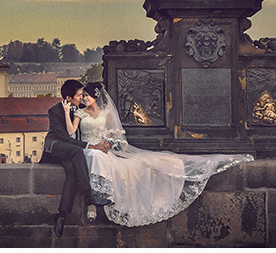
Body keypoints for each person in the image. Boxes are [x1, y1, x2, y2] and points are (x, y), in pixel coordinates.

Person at [65, 82, 253, 227]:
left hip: (104, 149)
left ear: (96, 96)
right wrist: (67, 112)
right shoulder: (79, 113)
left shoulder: (106, 113)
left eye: (87, 96)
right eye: (83, 96)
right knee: (95, 156)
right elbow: (71, 131)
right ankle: (95, 200)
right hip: (88, 148)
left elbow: (115, 134)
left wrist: (109, 142)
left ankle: (99, 199)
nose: (84, 99)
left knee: (138, 163)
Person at [39, 79, 112, 237]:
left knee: (72, 169)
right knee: (77, 152)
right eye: (79, 95)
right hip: (55, 147)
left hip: (69, 151)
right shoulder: (55, 111)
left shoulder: (80, 108)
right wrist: (92, 146)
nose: (82, 98)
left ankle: (61, 216)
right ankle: (89, 196)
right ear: (68, 98)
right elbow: (65, 138)